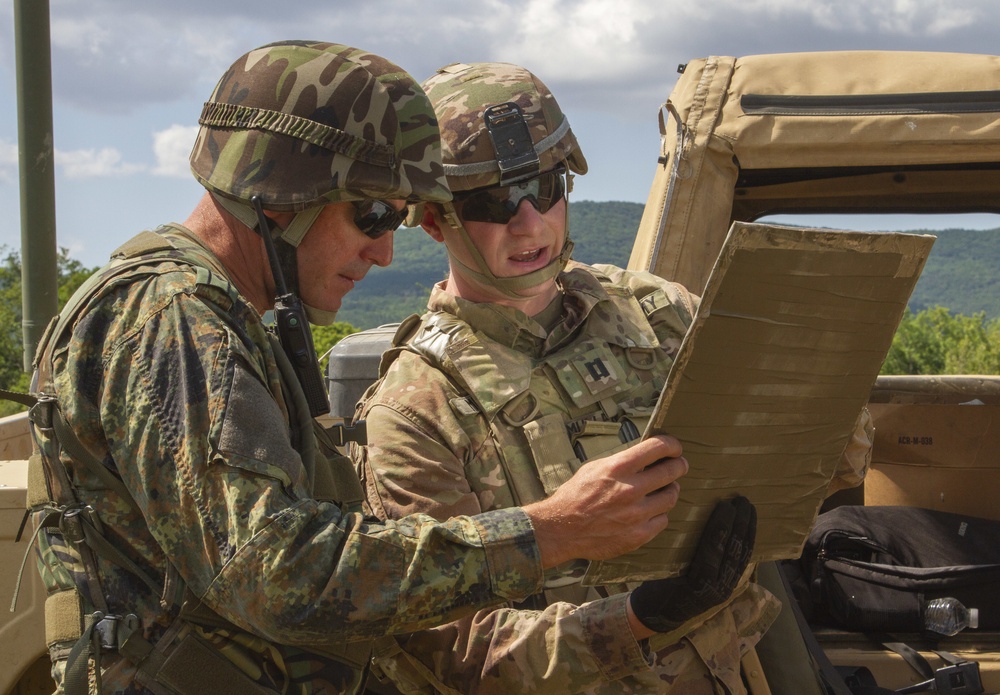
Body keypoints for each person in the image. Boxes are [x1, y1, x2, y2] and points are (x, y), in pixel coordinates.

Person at [24, 42, 690, 695]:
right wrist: (548, 531)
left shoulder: (214, 318)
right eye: (372, 214)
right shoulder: (170, 316)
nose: (383, 253)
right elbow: (275, 569)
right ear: (282, 196)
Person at [352, 62, 872, 694]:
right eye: (491, 203)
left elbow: (821, 474)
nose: (530, 223)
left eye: (544, 188)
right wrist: (635, 620)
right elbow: (455, 650)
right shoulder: (416, 407)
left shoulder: (663, 315)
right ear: (435, 221)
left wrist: (823, 408)